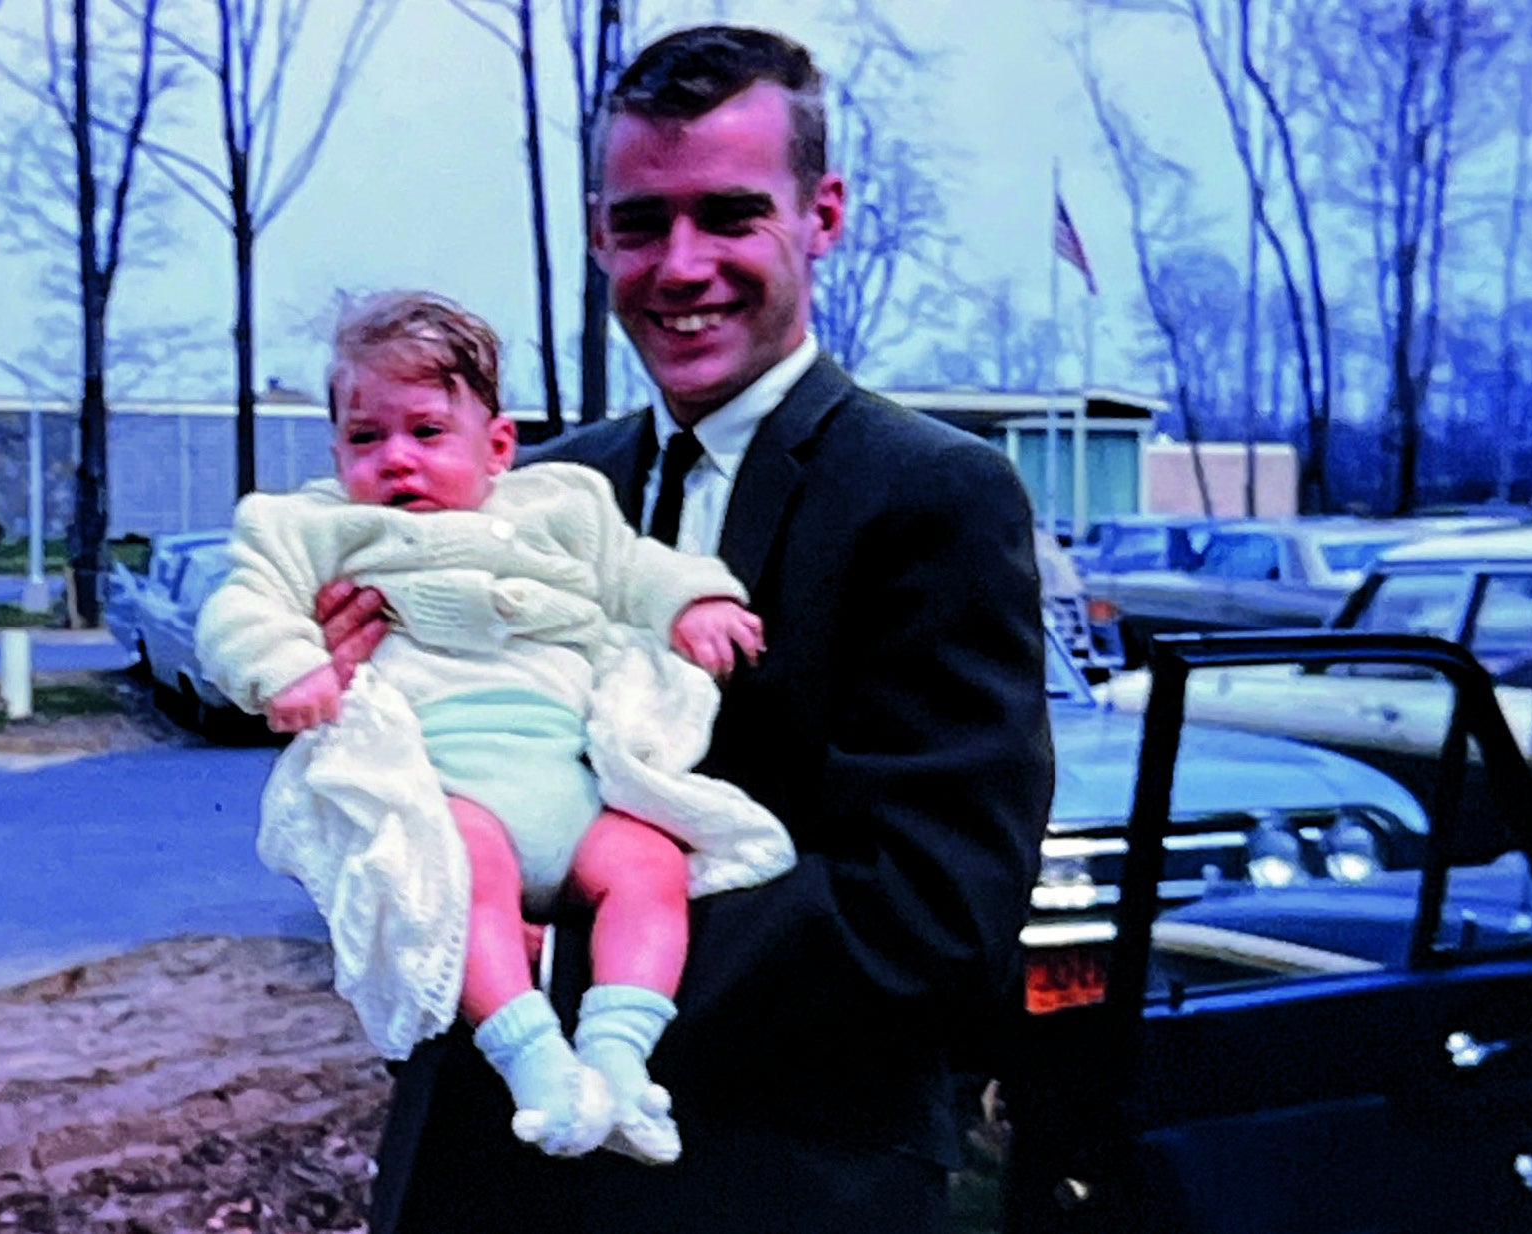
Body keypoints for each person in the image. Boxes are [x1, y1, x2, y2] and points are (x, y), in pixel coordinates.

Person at [349, 26, 1055, 1234]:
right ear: (596, 233)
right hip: (484, 1167)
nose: (680, 267)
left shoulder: (931, 494)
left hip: (776, 1176)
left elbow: (935, 909)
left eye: (729, 215)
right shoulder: (524, 497)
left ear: (820, 214)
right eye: (640, 222)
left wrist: (559, 962)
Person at [195, 291, 795, 1167]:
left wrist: (694, 601)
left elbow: (635, 568)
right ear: (334, 454)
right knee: (463, 865)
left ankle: (620, 1055)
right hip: (449, 786)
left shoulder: (560, 507)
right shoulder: (312, 528)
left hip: (574, 785)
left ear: (499, 448)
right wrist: (286, 666)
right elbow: (243, 605)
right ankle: (535, 1060)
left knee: (650, 864)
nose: (396, 461)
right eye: (367, 438)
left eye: (428, 433)